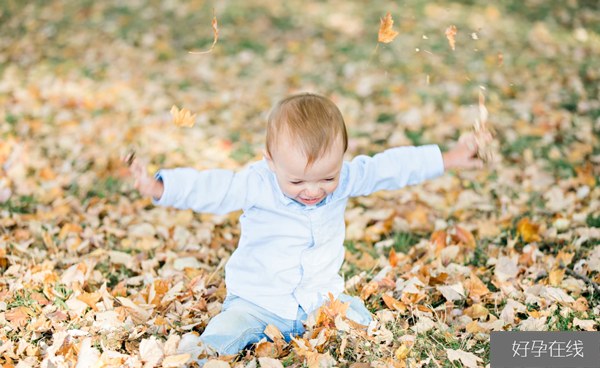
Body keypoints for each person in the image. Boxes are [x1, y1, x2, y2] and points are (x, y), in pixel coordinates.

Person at [126, 92, 490, 361]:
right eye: (298, 182)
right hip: (257, 302)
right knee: (222, 335)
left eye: (327, 178)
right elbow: (211, 188)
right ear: (270, 161)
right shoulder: (256, 182)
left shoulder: (345, 178)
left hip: (319, 300)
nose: (314, 191)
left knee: (362, 321)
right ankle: (194, 356)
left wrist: (451, 158)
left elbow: (391, 167)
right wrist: (160, 186)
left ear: (342, 160)